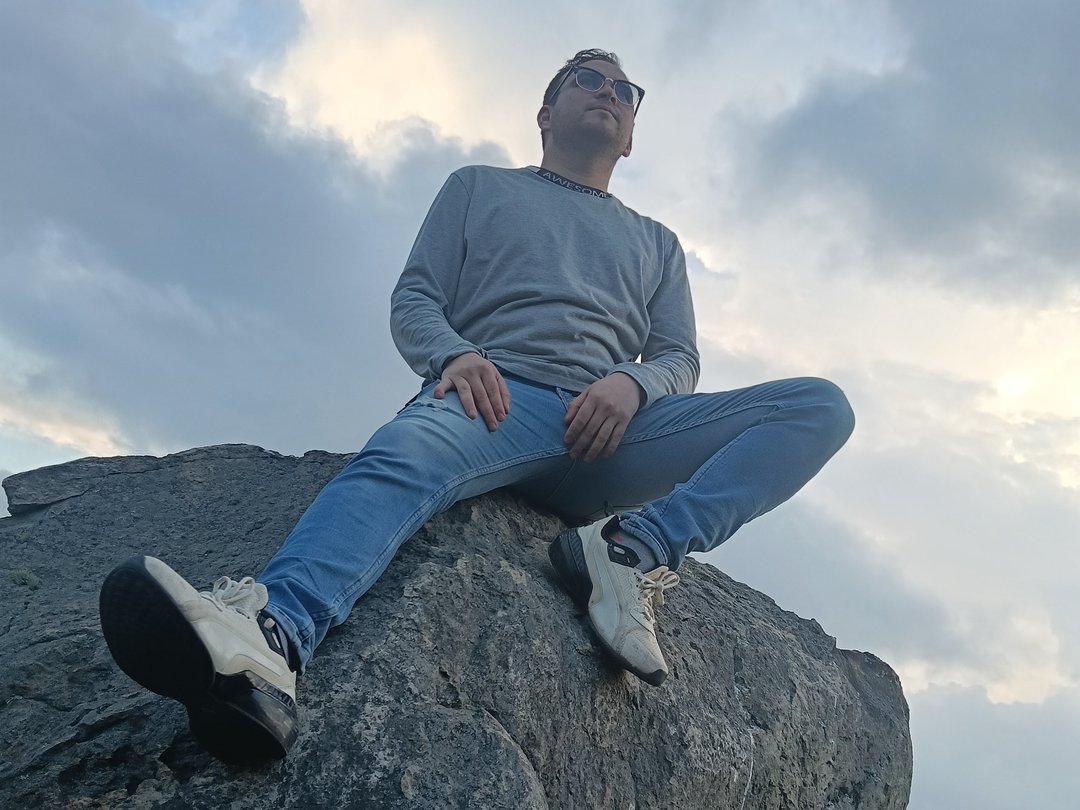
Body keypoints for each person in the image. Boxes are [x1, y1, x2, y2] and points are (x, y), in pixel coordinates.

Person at [98, 49, 854, 763]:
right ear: (546, 114)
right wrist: (456, 357)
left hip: (613, 429)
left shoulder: (658, 243)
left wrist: (633, 385)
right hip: (497, 399)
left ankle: (630, 548)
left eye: (625, 91)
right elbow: (416, 296)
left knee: (817, 408)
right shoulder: (478, 188)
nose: (609, 94)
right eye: (588, 80)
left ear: (629, 138)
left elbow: (679, 357)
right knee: (403, 454)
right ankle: (271, 643)